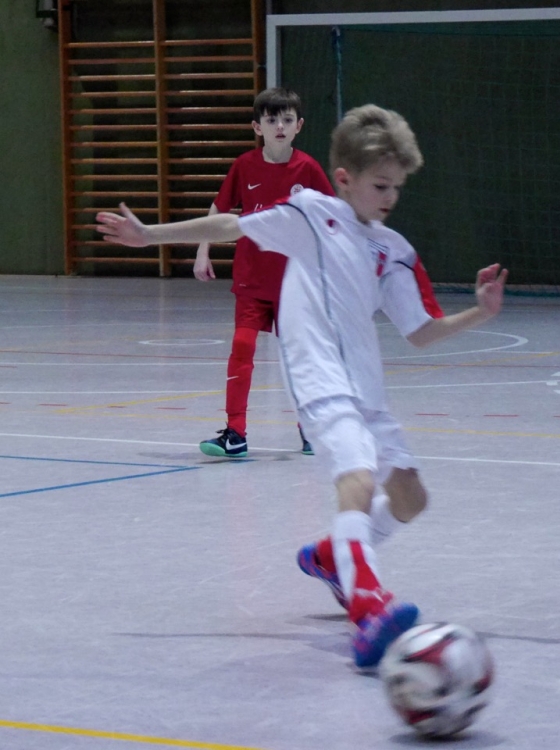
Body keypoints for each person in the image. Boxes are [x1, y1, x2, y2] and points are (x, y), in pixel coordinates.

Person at [97, 104, 509, 668]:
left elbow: (419, 331)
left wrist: (480, 313)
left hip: (368, 392)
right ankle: (368, 606)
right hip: (319, 378)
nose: (390, 196)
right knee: (357, 478)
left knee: (411, 497)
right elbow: (231, 225)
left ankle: (335, 556)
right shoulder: (311, 214)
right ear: (344, 179)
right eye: (380, 185)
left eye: (397, 186)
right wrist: (150, 236)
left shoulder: (394, 249)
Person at [194, 87, 336, 459]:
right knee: (242, 347)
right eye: (272, 120)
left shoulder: (308, 169)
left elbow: (332, 216)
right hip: (252, 280)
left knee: (299, 359)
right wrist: (203, 249)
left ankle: (311, 429)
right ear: (257, 127)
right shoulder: (244, 165)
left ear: (299, 126)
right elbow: (219, 210)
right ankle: (235, 433)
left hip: (295, 285)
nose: (279, 127)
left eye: (287, 120)